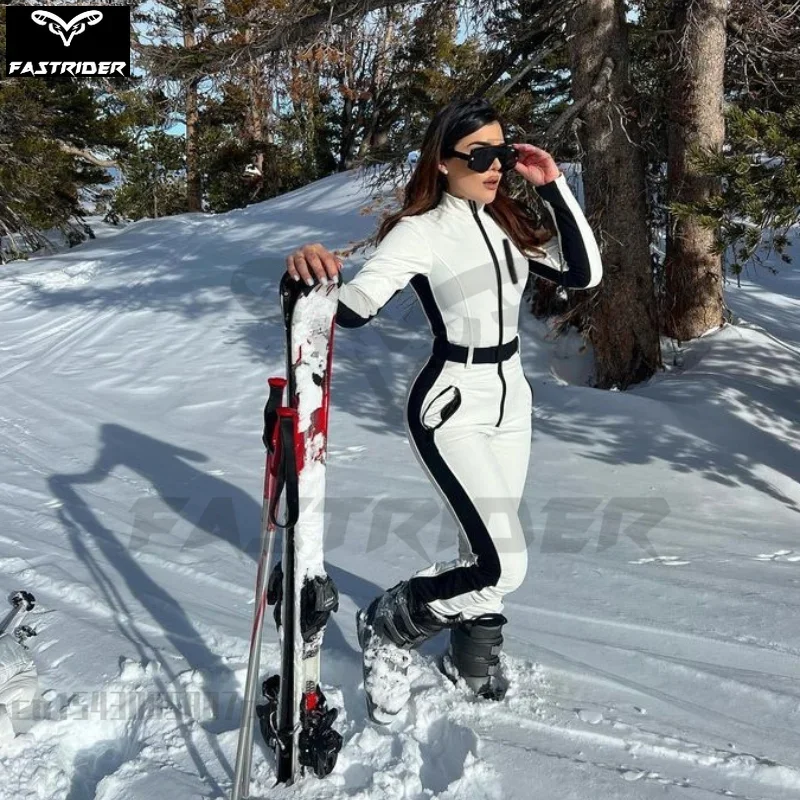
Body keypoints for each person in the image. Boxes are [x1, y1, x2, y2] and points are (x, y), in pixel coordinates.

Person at [285, 96, 602, 721]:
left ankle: (472, 652)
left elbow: (584, 274)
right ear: (443, 160)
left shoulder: (504, 220)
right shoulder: (421, 231)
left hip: (511, 397)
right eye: (479, 155)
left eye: (501, 153)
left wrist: (552, 185)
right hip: (451, 402)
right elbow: (354, 308)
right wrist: (310, 276)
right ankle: (392, 622)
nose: (495, 166)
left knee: (483, 541)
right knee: (503, 563)